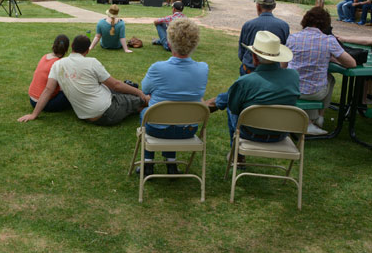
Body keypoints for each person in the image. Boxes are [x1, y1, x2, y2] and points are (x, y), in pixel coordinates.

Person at [205, 31, 300, 162]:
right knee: (234, 98)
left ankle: (237, 156)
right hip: (281, 134)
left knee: (231, 104)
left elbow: (234, 108)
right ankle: (209, 105)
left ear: (254, 57)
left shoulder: (245, 82)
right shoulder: (294, 77)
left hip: (251, 134)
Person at [18, 34, 148, 125]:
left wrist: (34, 114)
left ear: (72, 47)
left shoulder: (57, 64)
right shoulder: (91, 62)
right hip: (106, 111)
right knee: (143, 99)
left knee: (120, 94)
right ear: (87, 51)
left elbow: (47, 90)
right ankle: (155, 105)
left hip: (86, 115)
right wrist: (139, 93)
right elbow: (116, 85)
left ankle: (139, 106)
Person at [139, 18, 208, 176]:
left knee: (147, 114)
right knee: (175, 116)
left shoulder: (157, 68)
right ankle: (171, 163)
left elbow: (145, 89)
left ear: (169, 43)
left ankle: (148, 162)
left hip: (157, 128)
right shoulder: (203, 69)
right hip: (188, 129)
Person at [287, 7, 356, 135]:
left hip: (292, 87)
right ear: (325, 24)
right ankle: (319, 116)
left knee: (312, 80)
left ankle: (313, 119)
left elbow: (283, 65)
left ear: (305, 20)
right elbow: (352, 63)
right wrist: (333, 59)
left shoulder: (292, 38)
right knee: (329, 79)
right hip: (313, 91)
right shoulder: (329, 41)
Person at [238, 0, 289, 75]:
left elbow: (241, 53)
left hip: (249, 71)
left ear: (258, 6)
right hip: (273, 73)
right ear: (274, 6)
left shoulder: (248, 25)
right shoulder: (284, 26)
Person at [28, 34, 72, 113]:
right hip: (44, 103)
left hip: (32, 99)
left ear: (53, 45)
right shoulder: (58, 64)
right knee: (72, 90)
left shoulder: (45, 56)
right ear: (67, 50)